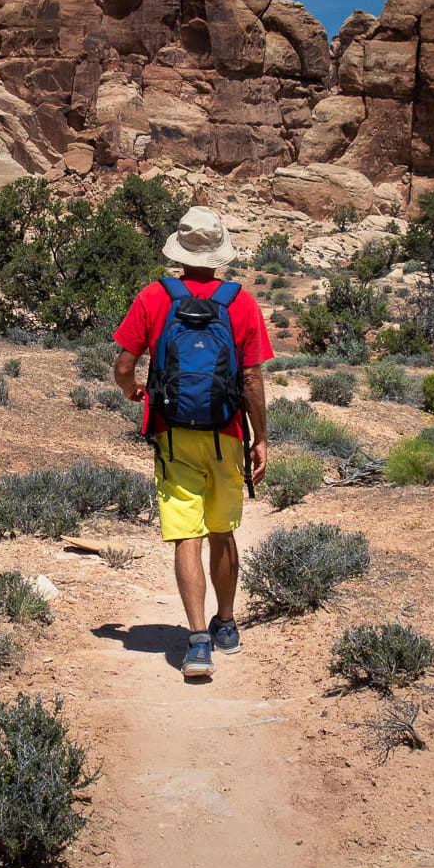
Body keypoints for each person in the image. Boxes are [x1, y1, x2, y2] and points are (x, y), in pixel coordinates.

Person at [113, 206, 271, 679]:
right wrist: (260, 437)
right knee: (222, 530)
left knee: (187, 533)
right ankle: (227, 626)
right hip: (226, 433)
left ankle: (197, 641)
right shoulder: (240, 301)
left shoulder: (154, 297)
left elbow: (124, 365)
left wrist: (133, 391)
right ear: (219, 253)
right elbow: (252, 378)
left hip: (173, 433)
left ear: (179, 252)